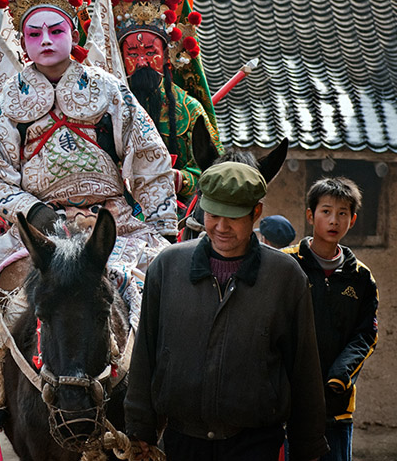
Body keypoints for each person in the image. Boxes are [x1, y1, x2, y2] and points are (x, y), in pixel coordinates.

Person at [0, 0, 177, 447]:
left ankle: (181, 391)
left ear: (72, 33)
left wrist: (161, 223)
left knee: (167, 282)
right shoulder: (5, 102)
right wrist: (30, 211)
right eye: (33, 32)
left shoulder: (109, 90)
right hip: (37, 230)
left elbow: (148, 157)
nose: (44, 39)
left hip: (113, 227)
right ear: (22, 39)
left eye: (55, 29)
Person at [125, 162, 328, 461]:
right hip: (182, 441)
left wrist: (308, 447)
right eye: (213, 215)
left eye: (232, 217)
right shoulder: (168, 267)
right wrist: (140, 429)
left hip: (255, 442)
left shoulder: (285, 277)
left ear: (255, 213)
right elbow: (145, 353)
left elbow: (304, 369)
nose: (221, 227)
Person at [99, 0, 223, 199]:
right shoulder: (103, 106)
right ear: (120, 57)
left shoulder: (190, 110)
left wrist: (182, 179)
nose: (142, 60)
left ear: (168, 56)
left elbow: (215, 170)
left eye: (150, 52)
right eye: (132, 52)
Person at [283, 177, 379, 461]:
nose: (334, 220)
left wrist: (339, 378)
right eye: (326, 211)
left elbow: (366, 335)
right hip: (290, 404)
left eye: (342, 213)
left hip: (336, 405)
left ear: (352, 219)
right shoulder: (287, 265)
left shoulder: (361, 278)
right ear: (310, 215)